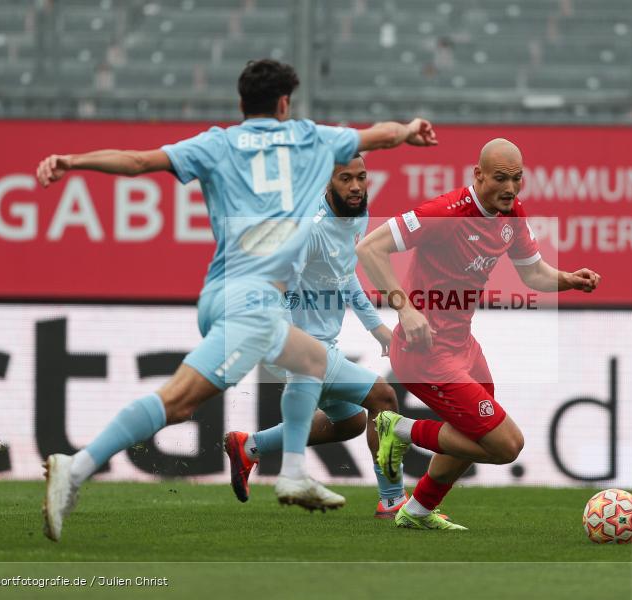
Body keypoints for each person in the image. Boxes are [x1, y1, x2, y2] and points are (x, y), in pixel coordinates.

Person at [34, 58, 437, 541]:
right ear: (285, 103)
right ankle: (75, 467)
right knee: (179, 402)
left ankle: (287, 469)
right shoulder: (311, 139)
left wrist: (71, 162)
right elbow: (382, 135)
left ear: (242, 103)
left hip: (224, 293)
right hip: (250, 305)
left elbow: (140, 162)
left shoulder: (217, 142)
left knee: (311, 361)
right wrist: (411, 127)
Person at [356, 138, 601, 530]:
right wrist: (405, 307)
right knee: (506, 445)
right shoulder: (445, 212)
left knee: (474, 432)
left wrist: (568, 279)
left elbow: (533, 273)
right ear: (478, 175)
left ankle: (417, 511)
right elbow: (369, 248)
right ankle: (397, 428)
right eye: (500, 178)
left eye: (517, 179)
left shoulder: (511, 214)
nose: (510, 188)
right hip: (425, 351)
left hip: (463, 347)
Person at [224, 153, 413, 519]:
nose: (356, 186)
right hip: (301, 348)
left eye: (361, 177)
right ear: (328, 182)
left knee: (352, 421)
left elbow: (345, 274)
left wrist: (377, 329)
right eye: (346, 179)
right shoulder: (309, 229)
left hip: (320, 346)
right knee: (383, 396)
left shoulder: (356, 216)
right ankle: (392, 500)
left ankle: (250, 448)